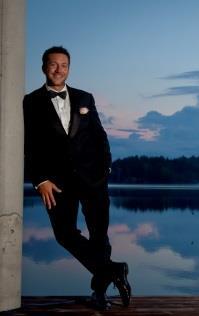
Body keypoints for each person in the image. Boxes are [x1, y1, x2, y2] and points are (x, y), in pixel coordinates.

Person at [23, 46, 131, 310]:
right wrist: (39, 179)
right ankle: (113, 270)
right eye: (53, 64)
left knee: (99, 236)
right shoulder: (31, 100)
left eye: (64, 65)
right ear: (43, 67)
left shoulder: (85, 97)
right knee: (65, 234)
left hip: (93, 178)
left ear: (69, 68)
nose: (59, 70)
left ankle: (100, 294)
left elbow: (99, 136)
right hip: (56, 183)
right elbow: (30, 144)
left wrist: (105, 169)